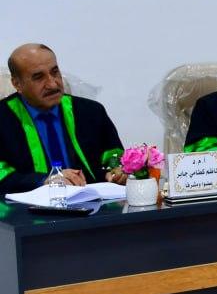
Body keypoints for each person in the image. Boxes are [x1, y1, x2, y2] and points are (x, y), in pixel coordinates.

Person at [0, 43, 124, 193]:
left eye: (55, 72)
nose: (53, 84)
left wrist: (116, 170)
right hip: (25, 206)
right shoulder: (3, 118)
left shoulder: (91, 112)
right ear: (17, 84)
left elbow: (113, 155)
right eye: (38, 77)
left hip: (93, 202)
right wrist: (43, 180)